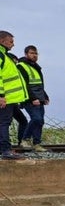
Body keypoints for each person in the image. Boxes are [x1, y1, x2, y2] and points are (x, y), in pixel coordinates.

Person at [0, 31, 29, 160]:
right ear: (2, 41)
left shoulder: (6, 56)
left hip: (11, 99)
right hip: (6, 98)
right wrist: (1, 96)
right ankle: (6, 150)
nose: (13, 44)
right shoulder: (1, 56)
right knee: (4, 123)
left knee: (21, 121)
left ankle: (7, 148)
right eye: (11, 41)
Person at [17, 45, 49, 152]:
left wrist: (45, 96)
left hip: (39, 98)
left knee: (40, 121)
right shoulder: (21, 66)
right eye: (32, 53)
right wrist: (32, 98)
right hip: (30, 99)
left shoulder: (35, 66)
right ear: (26, 54)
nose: (34, 55)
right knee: (36, 119)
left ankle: (37, 143)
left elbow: (39, 84)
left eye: (36, 53)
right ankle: (25, 139)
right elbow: (24, 84)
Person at [5, 51, 28, 147]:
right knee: (5, 123)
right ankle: (5, 145)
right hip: (6, 101)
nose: (15, 64)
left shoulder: (15, 70)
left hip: (13, 102)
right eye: (14, 61)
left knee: (23, 121)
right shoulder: (7, 69)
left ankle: (20, 142)